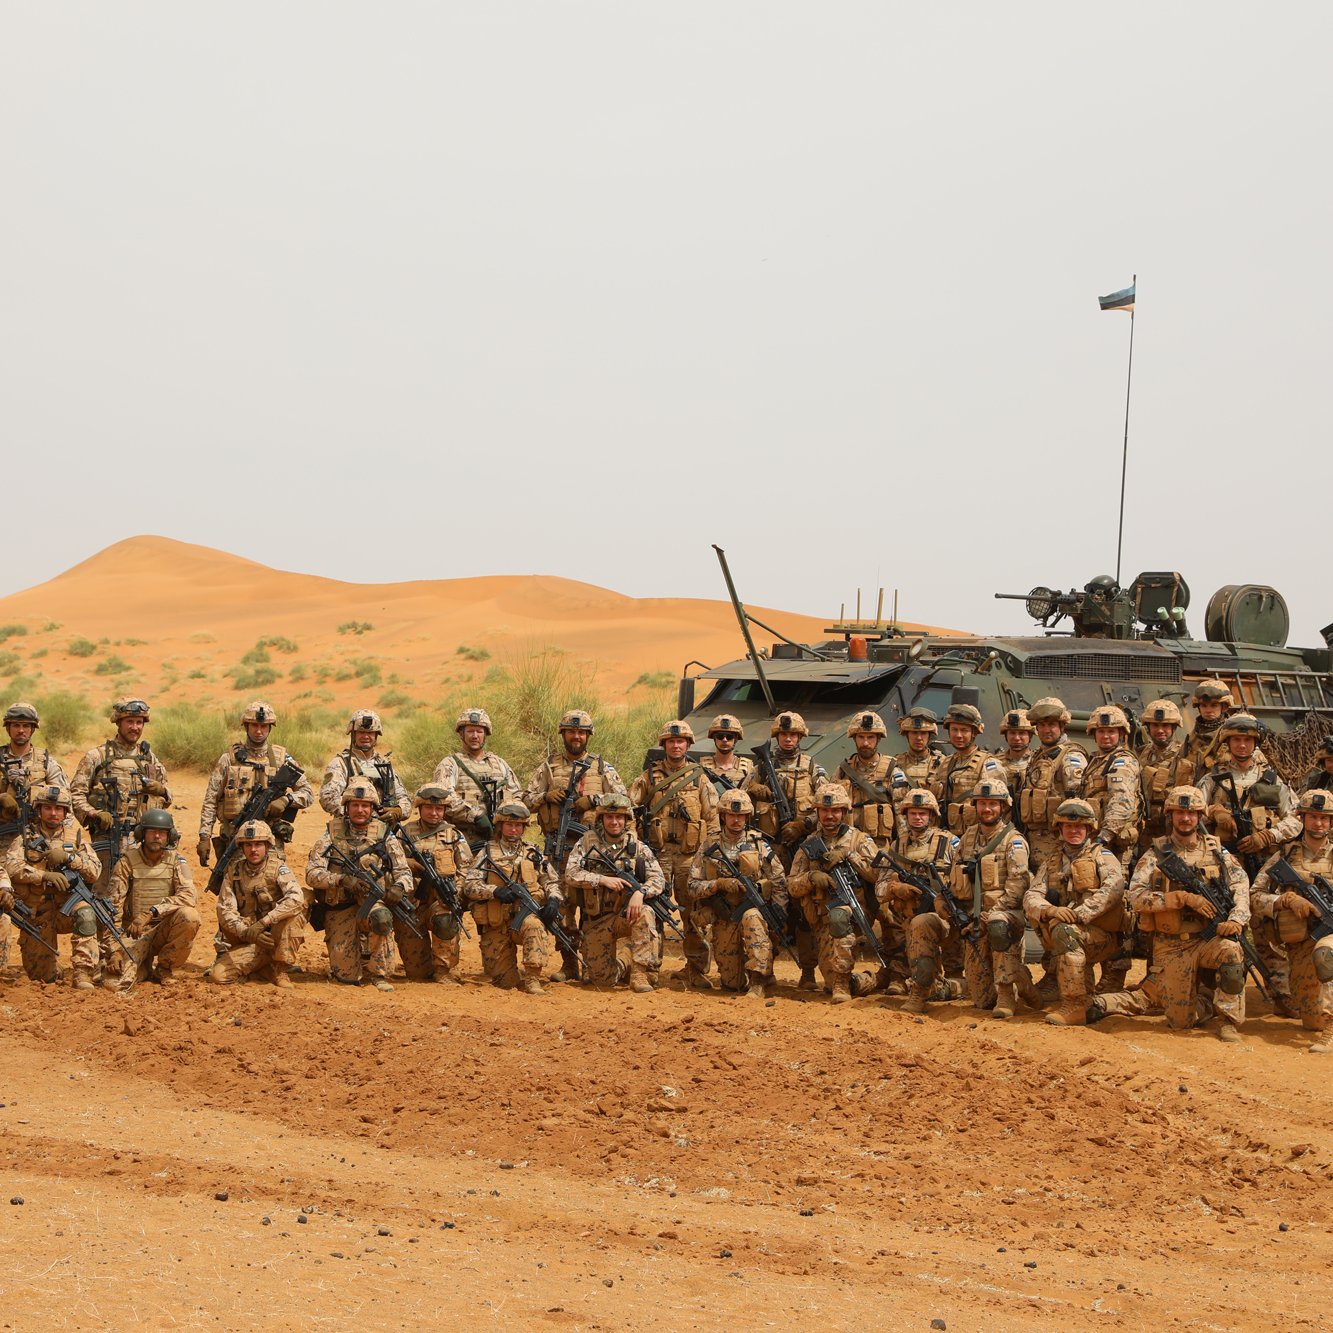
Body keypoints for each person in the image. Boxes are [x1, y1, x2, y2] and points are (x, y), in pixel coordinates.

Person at [1091, 786, 1249, 1043]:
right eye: (1179, 813)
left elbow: (1240, 886)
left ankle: (1227, 1020)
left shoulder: (1217, 853)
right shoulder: (1156, 853)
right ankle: (1206, 999)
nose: (1185, 818)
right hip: (1172, 946)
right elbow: (1135, 897)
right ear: (1170, 816)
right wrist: (1178, 899)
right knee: (1180, 1023)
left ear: (1200, 816)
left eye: (1191, 813)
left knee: (1232, 951)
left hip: (1208, 941)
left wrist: (1236, 919)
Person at [1199, 712, 1300, 1015]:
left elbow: (1296, 819)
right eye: (1236, 740)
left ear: (1254, 742)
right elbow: (1188, 807)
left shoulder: (1273, 779)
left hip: (1262, 863)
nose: (1242, 745)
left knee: (1266, 929)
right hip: (1223, 866)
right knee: (1222, 926)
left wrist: (1268, 835)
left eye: (1247, 740)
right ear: (1227, 742)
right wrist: (1214, 811)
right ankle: (1216, 991)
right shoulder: (1212, 777)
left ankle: (1281, 993)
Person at [70, 696, 172, 981]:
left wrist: (160, 789)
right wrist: (93, 814)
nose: (135, 727)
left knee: (137, 898)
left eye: (139, 722)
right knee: (105, 897)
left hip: (140, 843)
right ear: (118, 722)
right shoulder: (97, 756)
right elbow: (74, 794)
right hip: (106, 840)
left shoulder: (150, 759)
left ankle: (135, 955)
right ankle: (104, 958)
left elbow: (168, 796)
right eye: (130, 721)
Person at [523, 708, 627, 983]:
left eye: (581, 732)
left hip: (595, 850)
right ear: (563, 734)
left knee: (595, 906)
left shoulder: (601, 767)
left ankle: (597, 961)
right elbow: (525, 800)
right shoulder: (548, 766)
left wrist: (593, 801)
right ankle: (569, 963)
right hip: (559, 846)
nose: (576, 736)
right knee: (564, 907)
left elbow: (623, 800)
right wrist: (547, 795)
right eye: (572, 731)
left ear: (588, 735)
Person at [629, 720, 719, 988]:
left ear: (688, 744)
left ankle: (696, 968)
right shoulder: (649, 777)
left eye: (680, 741)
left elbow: (712, 818)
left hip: (689, 857)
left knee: (693, 913)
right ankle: (649, 968)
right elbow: (628, 811)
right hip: (656, 856)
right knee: (654, 910)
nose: (676, 745)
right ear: (664, 745)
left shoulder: (700, 778)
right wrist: (635, 844)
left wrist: (709, 855)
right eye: (671, 741)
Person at [305, 776, 415, 991]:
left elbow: (404, 871)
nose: (360, 810)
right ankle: (351, 962)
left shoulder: (385, 835)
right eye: (355, 805)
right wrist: (341, 879)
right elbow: (312, 874)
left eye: (365, 805)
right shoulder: (331, 833)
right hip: (341, 907)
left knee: (382, 918)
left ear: (373, 808)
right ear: (347, 807)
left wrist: (398, 887)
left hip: (372, 903)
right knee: (346, 977)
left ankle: (378, 972)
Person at [1024, 799, 1126, 1026]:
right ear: (1059, 829)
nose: (1074, 831)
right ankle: (1084, 1000)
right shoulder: (1051, 861)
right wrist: (1050, 910)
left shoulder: (1103, 856)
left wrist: (1080, 914)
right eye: (1068, 827)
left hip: (1104, 937)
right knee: (1062, 928)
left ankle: (1075, 1004)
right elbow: (1031, 896)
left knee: (1064, 931)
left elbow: (1114, 889)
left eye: (1079, 827)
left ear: (1089, 829)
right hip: (1073, 933)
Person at [743, 711, 826, 989]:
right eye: (783, 734)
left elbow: (829, 803)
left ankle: (808, 972)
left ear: (800, 737)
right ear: (776, 736)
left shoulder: (812, 766)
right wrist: (755, 789)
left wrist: (804, 825)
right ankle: (765, 971)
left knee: (805, 912)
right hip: (770, 848)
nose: (788, 739)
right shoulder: (761, 767)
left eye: (793, 735)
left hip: (801, 848)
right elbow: (739, 798)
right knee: (771, 908)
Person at [1249, 788, 1333, 1052]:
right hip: (1300, 944)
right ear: (1302, 818)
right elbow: (1255, 895)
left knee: (1326, 954)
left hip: (1329, 937)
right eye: (1313, 817)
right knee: (1310, 1020)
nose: (1319, 823)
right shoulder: (1284, 856)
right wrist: (1283, 901)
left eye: (1325, 818)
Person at [686, 788, 788, 999]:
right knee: (731, 985)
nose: (736, 820)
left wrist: (777, 913)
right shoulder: (709, 845)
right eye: (732, 815)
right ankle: (742, 975)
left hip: (753, 913)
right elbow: (692, 886)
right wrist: (718, 884)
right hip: (725, 916)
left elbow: (779, 881)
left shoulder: (759, 844)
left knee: (752, 917)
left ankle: (759, 980)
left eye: (740, 815)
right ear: (723, 816)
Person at [786, 784, 882, 1003]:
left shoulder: (860, 840)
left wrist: (850, 856)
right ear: (818, 812)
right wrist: (811, 878)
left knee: (839, 916)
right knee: (828, 983)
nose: (830, 815)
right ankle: (869, 979)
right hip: (821, 919)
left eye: (835, 811)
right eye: (825, 811)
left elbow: (877, 875)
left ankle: (842, 983)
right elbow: (791, 885)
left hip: (854, 914)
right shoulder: (809, 844)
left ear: (844, 812)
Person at [562, 793, 665, 993]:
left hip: (625, 916)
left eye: (619, 817)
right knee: (601, 981)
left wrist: (640, 893)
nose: (614, 822)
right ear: (601, 819)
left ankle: (639, 974)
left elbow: (658, 879)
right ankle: (626, 959)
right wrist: (601, 879)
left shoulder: (638, 847)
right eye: (609, 817)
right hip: (597, 919)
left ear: (627, 819)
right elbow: (570, 874)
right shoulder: (586, 843)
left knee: (645, 913)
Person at [3, 783, 103, 988]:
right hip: (37, 913)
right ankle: (52, 969)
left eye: (58, 809)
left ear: (66, 812)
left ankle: (83, 973)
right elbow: (11, 867)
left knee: (86, 913)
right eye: (47, 808)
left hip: (67, 908)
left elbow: (94, 871)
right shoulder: (24, 839)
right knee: (42, 977)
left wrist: (70, 858)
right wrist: (42, 875)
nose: (53, 813)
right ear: (39, 810)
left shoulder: (75, 839)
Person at [197, 700, 313, 866]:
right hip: (236, 837)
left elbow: (308, 793)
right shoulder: (229, 759)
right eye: (254, 726)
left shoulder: (281, 759)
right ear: (246, 726)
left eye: (264, 726)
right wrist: (204, 836)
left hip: (271, 839)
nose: (259, 731)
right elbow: (211, 799)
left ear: (270, 728)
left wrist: (287, 800)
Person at [875, 788, 963, 997]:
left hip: (944, 917)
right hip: (907, 920)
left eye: (922, 813)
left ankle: (951, 980)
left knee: (952, 977)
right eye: (913, 813)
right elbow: (879, 889)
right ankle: (904, 976)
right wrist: (896, 888)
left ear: (932, 816)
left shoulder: (949, 843)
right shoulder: (897, 845)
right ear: (905, 816)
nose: (917, 818)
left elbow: (964, 881)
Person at [466, 801, 562, 994]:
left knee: (535, 925)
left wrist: (553, 899)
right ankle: (509, 972)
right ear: (500, 826)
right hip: (496, 924)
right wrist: (494, 891)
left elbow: (551, 881)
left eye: (518, 825)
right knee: (505, 982)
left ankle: (533, 978)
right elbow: (469, 886)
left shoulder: (533, 852)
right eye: (509, 825)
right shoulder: (486, 852)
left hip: (525, 917)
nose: (513, 829)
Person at [0, 701, 67, 969]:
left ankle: (41, 957)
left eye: (26, 726)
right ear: (8, 728)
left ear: (33, 729)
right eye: (16, 725)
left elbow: (64, 803)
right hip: (2, 841)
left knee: (39, 900)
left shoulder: (47, 762)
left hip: (36, 844)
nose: (20, 730)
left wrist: (62, 842)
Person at [208, 819, 305, 989]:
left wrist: (264, 922)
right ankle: (264, 967)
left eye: (259, 844)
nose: (253, 850)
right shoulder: (233, 872)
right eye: (248, 845)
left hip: (274, 937)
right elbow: (224, 911)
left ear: (267, 845)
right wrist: (247, 932)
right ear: (242, 847)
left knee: (294, 913)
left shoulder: (278, 868)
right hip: (249, 940)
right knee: (219, 976)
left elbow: (296, 897)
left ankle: (280, 968)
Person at [110, 809, 201, 991]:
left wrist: (152, 912)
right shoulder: (127, 862)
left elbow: (189, 896)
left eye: (162, 833)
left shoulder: (177, 861)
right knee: (116, 983)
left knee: (190, 916)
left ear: (170, 836)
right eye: (152, 831)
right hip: (133, 933)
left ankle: (164, 969)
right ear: (142, 834)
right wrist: (114, 949)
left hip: (163, 930)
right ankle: (142, 967)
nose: (157, 836)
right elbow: (113, 907)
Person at [398, 782, 475, 983]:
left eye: (439, 809)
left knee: (446, 920)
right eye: (429, 808)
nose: (434, 813)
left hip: (440, 903)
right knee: (417, 975)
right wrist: (410, 863)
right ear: (420, 808)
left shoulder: (454, 835)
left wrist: (455, 892)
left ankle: (444, 970)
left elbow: (466, 869)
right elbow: (390, 862)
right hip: (412, 904)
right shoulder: (405, 833)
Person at [431, 708, 521, 852]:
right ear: (461, 734)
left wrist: (506, 817)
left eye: (479, 732)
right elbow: (443, 798)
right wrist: (476, 815)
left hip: (498, 839)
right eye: (470, 731)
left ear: (485, 734)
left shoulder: (499, 764)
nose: (474, 736)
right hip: (462, 839)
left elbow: (517, 795)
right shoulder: (450, 764)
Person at [1018, 697, 1088, 872]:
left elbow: (1077, 805)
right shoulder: (1037, 756)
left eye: (1051, 725)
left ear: (1061, 726)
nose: (1046, 730)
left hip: (1057, 843)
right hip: (1035, 840)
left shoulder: (1071, 757)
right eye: (1041, 725)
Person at [319, 710, 412, 825]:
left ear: (376, 736)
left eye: (371, 733)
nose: (366, 736)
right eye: (361, 732)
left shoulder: (383, 764)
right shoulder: (340, 764)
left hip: (383, 829)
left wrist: (398, 811)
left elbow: (404, 799)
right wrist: (362, 813)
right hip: (349, 830)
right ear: (353, 734)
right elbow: (328, 798)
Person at [834, 710, 905, 852]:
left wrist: (901, 848)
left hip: (880, 847)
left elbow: (902, 815)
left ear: (878, 739)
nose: (865, 743)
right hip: (847, 846)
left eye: (870, 737)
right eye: (861, 737)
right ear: (854, 738)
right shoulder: (843, 771)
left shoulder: (891, 770)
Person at [1137, 699, 1194, 846]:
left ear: (1174, 727)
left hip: (1172, 827)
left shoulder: (1184, 755)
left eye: (1165, 726)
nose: (1160, 730)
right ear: (1148, 727)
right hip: (1146, 827)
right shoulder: (1142, 754)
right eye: (1155, 725)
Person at [932, 703, 994, 834]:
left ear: (974, 733)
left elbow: (997, 809)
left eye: (964, 730)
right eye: (954, 729)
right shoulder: (945, 763)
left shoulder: (987, 763)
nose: (958, 735)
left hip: (976, 836)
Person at [1180, 679, 1234, 782]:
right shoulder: (1191, 739)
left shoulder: (1233, 736)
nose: (1208, 710)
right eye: (1204, 706)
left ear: (1225, 707)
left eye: (1214, 705)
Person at [699, 714, 754, 793]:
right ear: (714, 739)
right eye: (720, 736)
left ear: (735, 739)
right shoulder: (702, 767)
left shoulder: (748, 768)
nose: (724, 740)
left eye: (729, 736)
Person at [996, 709, 1035, 800]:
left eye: (1022, 733)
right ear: (1006, 736)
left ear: (1030, 736)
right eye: (1012, 733)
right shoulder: (995, 762)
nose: (1017, 738)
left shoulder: (1038, 761)